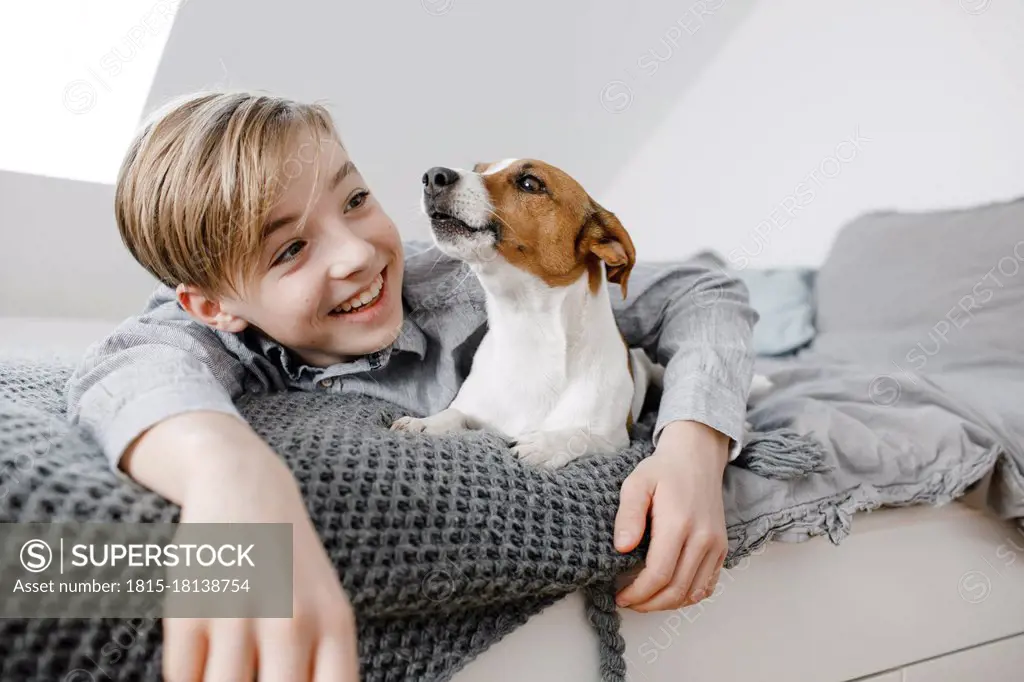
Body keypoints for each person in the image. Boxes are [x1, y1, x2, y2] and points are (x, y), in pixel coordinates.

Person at [65, 90, 757, 680]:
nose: (359, 254)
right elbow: (127, 364)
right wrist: (231, 473)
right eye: (290, 249)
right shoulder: (216, 335)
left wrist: (695, 445)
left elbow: (701, 289)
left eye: (357, 199)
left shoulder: (454, 274)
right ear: (216, 307)